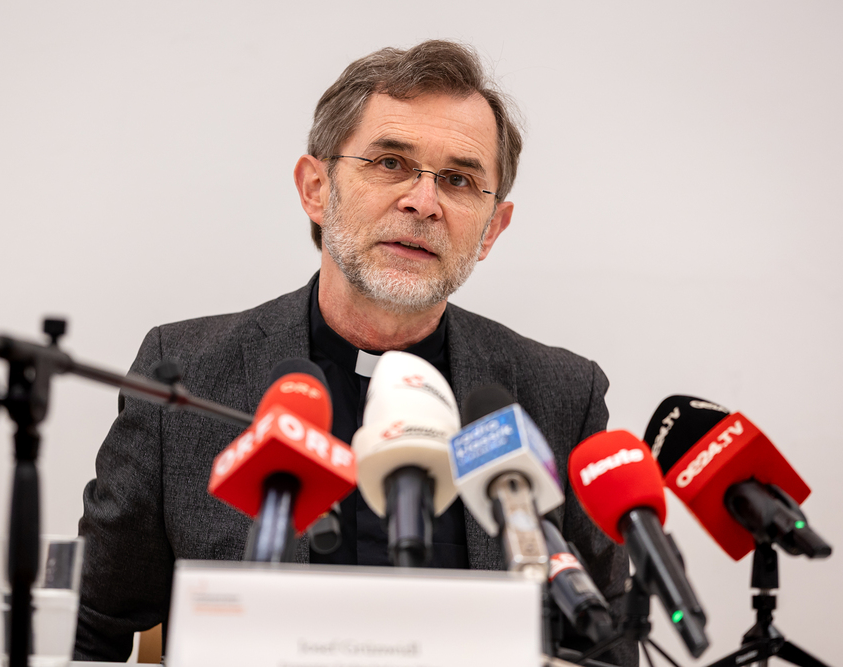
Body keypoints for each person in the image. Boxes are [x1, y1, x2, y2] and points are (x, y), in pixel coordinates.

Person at [74, 40, 633, 664]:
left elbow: (607, 644)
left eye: (458, 180)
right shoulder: (188, 374)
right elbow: (89, 623)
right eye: (391, 163)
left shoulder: (560, 396)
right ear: (316, 189)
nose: (423, 202)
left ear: (491, 229)